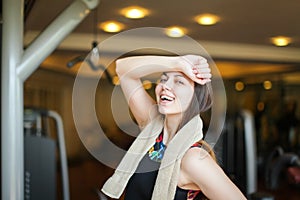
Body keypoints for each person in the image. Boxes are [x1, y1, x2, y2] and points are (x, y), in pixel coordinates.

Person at [101, 55, 246, 200]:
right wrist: (176, 62)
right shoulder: (151, 127)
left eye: (179, 82)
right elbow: (122, 68)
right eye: (163, 79)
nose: (166, 86)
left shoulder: (193, 159)